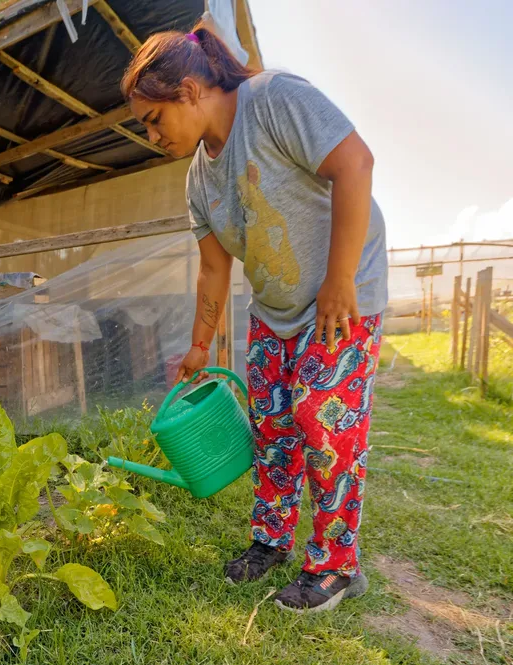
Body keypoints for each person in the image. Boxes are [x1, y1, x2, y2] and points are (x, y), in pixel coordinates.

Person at [121, 23, 388, 613]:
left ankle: (338, 566)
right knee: (270, 426)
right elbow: (213, 270)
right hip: (274, 309)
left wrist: (339, 281)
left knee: (321, 418)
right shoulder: (198, 177)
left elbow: (356, 164)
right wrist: (198, 345)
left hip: (342, 292)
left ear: (189, 91)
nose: (151, 134)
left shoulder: (273, 100)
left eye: (152, 118)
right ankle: (271, 540)